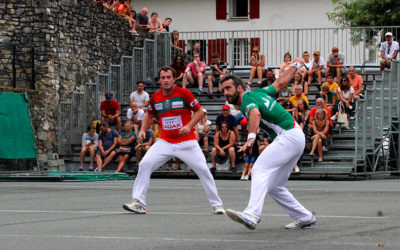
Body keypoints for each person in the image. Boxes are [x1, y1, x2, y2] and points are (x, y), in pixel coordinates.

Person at [221, 58, 316, 230]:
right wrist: (296, 65)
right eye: (223, 89)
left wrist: (251, 136)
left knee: (258, 170)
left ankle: (252, 214)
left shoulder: (246, 101)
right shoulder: (259, 93)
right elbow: (280, 82)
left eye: (229, 88)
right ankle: (304, 217)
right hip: (295, 136)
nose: (226, 93)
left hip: (288, 136)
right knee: (274, 186)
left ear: (240, 88)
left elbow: (255, 114)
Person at [123, 66, 225, 215]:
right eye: (163, 78)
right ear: (159, 80)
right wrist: (143, 130)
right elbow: (149, 115)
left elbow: (199, 111)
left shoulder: (184, 93)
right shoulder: (156, 97)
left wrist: (189, 125)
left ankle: (217, 204)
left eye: (168, 77)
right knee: (145, 164)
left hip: (186, 142)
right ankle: (139, 203)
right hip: (165, 142)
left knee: (203, 170)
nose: (165, 80)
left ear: (174, 79)